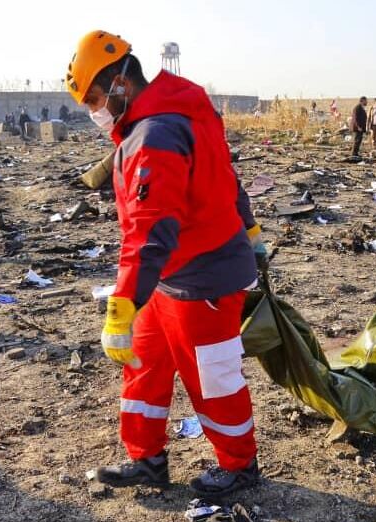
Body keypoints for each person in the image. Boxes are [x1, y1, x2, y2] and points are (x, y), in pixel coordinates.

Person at [66, 30, 264, 496]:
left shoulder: (155, 132)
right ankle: (147, 458)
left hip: (203, 276)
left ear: (120, 82)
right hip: (169, 275)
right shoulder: (176, 110)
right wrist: (250, 227)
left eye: (95, 97)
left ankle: (240, 465)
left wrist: (121, 304)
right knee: (144, 363)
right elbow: (223, 173)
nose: (94, 110)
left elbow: (150, 232)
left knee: (212, 377)